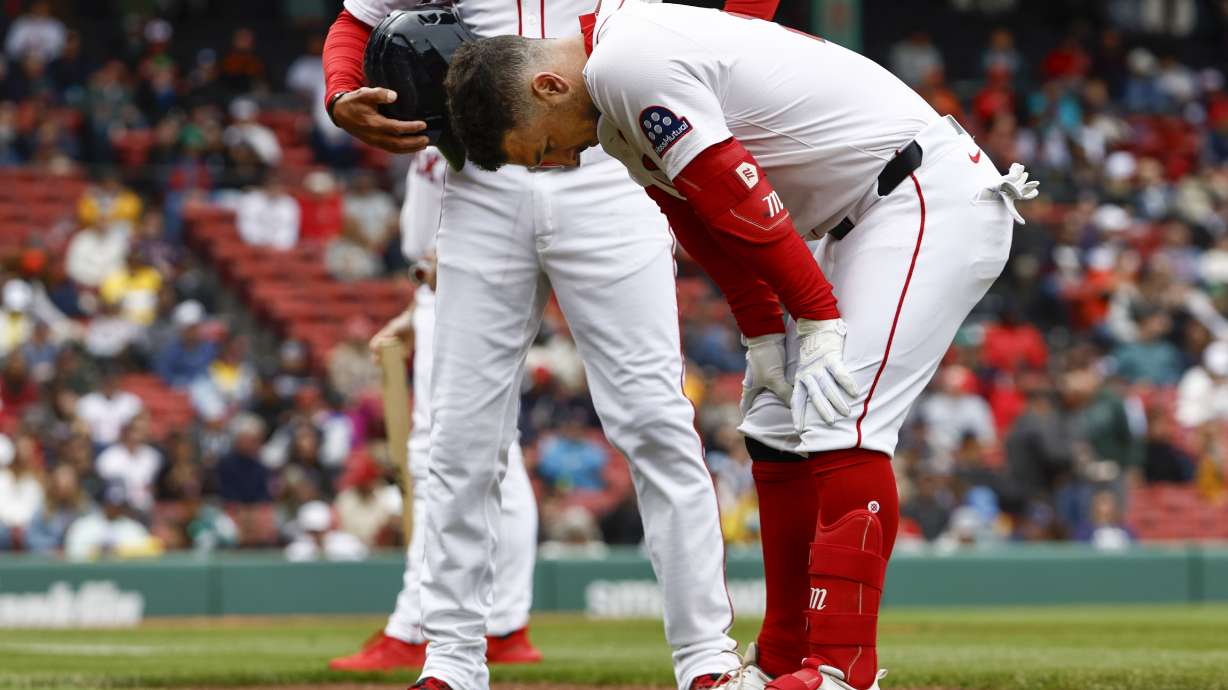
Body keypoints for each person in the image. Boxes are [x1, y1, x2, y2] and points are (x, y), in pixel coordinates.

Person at [441, 3, 1037, 689]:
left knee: (841, 414)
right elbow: (703, 222)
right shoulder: (612, 103)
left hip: (921, 192)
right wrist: (762, 336)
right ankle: (785, 655)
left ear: (548, 87)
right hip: (855, 219)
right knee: (776, 424)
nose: (562, 161)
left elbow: (737, 190)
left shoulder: (627, 59)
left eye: (543, 149)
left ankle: (844, 668)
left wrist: (814, 320)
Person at [322, 3, 784, 688]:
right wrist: (339, 93)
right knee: (459, 434)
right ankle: (451, 660)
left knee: (655, 422)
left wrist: (702, 71)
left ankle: (704, 658)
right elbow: (358, 19)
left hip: (613, 164)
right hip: (480, 173)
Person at [328, 147, 542, 671]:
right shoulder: (473, 108)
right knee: (499, 456)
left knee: (439, 454)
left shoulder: (474, 109)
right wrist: (416, 305)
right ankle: (504, 625)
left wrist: (442, 280)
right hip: (447, 288)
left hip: (463, 286)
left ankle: (416, 626)